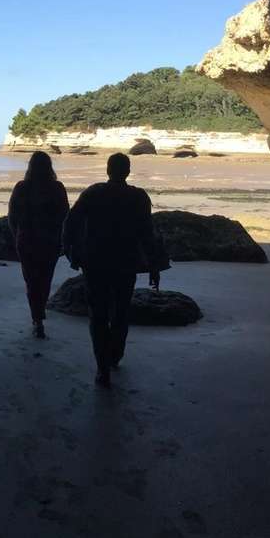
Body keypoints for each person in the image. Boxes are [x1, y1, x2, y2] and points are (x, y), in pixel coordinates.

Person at [62, 152, 164, 388]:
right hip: (125, 263)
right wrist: (154, 266)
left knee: (97, 315)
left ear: (107, 170)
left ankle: (102, 368)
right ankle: (115, 355)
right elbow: (148, 234)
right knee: (120, 312)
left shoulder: (93, 193)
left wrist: (71, 252)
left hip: (95, 262)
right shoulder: (138, 197)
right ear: (128, 171)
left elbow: (71, 223)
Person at [8, 151, 69, 339]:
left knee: (31, 280)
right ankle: (39, 313)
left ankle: (37, 318)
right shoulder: (57, 188)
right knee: (45, 278)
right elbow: (65, 217)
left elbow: (12, 215)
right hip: (50, 241)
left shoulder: (22, 187)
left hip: (26, 240)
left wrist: (16, 235)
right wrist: (64, 240)